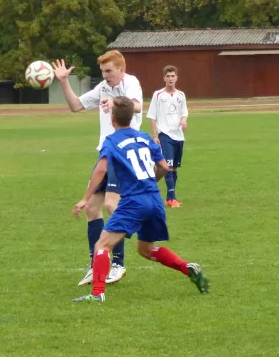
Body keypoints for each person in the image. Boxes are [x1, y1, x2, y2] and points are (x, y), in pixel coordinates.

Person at [72, 97, 209, 302]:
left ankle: (97, 293)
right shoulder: (145, 138)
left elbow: (101, 169)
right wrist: (151, 182)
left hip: (133, 202)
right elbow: (164, 167)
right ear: (132, 116)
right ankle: (186, 267)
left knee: (102, 245)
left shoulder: (111, 141)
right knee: (146, 250)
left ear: (112, 119)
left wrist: (85, 199)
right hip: (154, 200)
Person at [52, 51, 143, 286]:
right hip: (106, 152)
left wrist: (116, 102)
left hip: (123, 154)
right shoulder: (103, 87)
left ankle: (118, 264)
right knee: (92, 208)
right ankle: (96, 265)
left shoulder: (131, 82)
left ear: (121, 69)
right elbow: (75, 106)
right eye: (103, 72)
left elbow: (138, 106)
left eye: (109, 71)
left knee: (113, 205)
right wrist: (63, 82)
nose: (105, 76)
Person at [147, 65, 188, 208]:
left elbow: (184, 112)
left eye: (173, 76)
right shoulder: (158, 95)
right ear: (164, 78)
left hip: (179, 136)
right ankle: (172, 198)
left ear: (177, 78)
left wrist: (184, 121)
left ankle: (169, 198)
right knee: (168, 166)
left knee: (174, 168)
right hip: (165, 135)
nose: (170, 78)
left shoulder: (181, 95)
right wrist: (155, 135)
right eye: (168, 76)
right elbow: (152, 116)